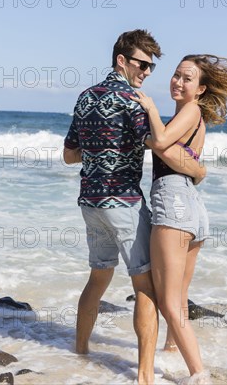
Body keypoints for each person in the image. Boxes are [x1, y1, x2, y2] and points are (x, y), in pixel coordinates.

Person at [63, 30, 206, 384]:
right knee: (145, 286)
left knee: (98, 277)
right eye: (142, 64)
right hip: (123, 202)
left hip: (90, 202)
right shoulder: (133, 101)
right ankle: (144, 376)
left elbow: (69, 155)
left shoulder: (85, 97)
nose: (146, 72)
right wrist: (199, 169)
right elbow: (162, 147)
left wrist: (100, 147)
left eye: (152, 67)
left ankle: (79, 350)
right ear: (121, 61)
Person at [132, 54, 227, 382]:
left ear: (200, 89)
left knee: (168, 301)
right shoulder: (191, 115)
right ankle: (170, 353)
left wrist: (149, 111)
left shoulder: (191, 111)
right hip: (193, 208)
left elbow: (163, 143)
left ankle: (198, 373)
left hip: (174, 204)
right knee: (178, 296)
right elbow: (179, 156)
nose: (178, 82)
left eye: (187, 78)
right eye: (176, 75)